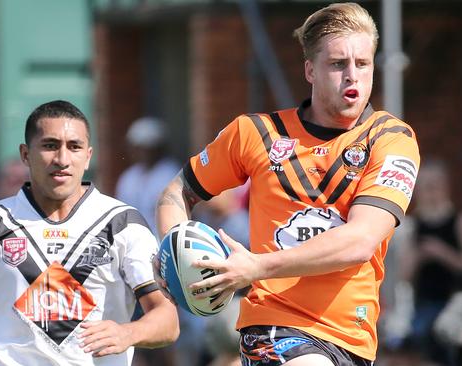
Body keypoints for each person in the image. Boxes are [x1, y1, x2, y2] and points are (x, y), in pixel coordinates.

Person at [155, 3, 420, 366]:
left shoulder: (390, 138)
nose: (352, 76)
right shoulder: (254, 133)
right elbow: (177, 192)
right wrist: (172, 251)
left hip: (354, 338)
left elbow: (360, 241)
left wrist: (257, 266)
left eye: (363, 63)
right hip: (274, 326)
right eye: (338, 64)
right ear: (310, 70)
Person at [0, 100, 179, 366]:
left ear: (88, 156)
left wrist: (128, 332)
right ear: (26, 154)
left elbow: (167, 320)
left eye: (74, 147)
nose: (62, 158)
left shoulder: (122, 224)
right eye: (50, 145)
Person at [401, 159, 462, 365]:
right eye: (425, 188)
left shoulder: (459, 221)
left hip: (456, 302)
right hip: (425, 304)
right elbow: (405, 275)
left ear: (445, 187)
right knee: (421, 339)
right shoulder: (416, 227)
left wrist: (442, 253)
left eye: (434, 186)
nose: (430, 193)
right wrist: (419, 255)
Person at [115, 117, 179, 234]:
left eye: (146, 147)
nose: (140, 152)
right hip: (132, 241)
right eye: (137, 147)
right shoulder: (129, 176)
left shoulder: (171, 173)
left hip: (164, 241)